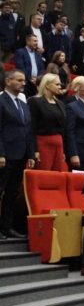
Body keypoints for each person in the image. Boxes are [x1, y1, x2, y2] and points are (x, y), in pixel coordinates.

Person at [0, 71, 36, 238]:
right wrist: (1, 153)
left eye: (24, 80)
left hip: (20, 154)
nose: (23, 83)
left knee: (12, 192)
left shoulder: (22, 104)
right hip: (6, 154)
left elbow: (28, 130)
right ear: (8, 81)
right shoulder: (1, 101)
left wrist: (31, 154)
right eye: (19, 80)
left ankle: (6, 227)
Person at [28, 73, 67, 171]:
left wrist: (63, 150)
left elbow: (63, 127)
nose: (60, 87)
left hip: (59, 144)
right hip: (43, 143)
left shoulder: (61, 103)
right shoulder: (34, 101)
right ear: (47, 85)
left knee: (57, 174)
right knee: (43, 173)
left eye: (60, 84)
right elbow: (31, 128)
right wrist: (34, 150)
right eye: (57, 84)